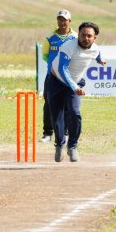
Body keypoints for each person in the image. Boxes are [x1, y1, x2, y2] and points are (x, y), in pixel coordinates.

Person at [47, 22, 106, 162]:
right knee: (57, 117)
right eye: (83, 35)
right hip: (56, 81)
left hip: (75, 84)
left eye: (89, 36)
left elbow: (97, 54)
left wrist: (100, 61)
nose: (86, 38)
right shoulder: (69, 46)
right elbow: (62, 69)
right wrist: (74, 87)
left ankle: (72, 146)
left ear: (94, 38)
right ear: (78, 35)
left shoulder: (95, 49)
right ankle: (60, 144)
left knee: (75, 112)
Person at [41, 9, 77, 143]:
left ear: (69, 21)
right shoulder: (50, 37)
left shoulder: (75, 36)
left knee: (68, 105)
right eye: (60, 19)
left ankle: (65, 133)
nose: (62, 22)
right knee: (49, 104)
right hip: (51, 77)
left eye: (65, 20)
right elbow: (45, 55)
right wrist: (55, 68)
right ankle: (47, 133)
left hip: (68, 77)